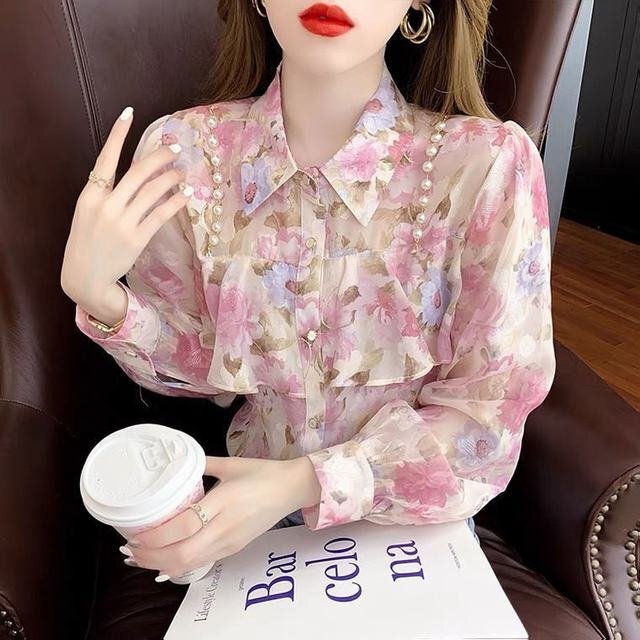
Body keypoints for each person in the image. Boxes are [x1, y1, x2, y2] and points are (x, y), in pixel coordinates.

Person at [60, 0, 555, 583]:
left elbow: (485, 419)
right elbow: (201, 373)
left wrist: (301, 483)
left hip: (411, 534)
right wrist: (102, 298)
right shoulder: (185, 152)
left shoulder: (484, 164)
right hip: (249, 537)